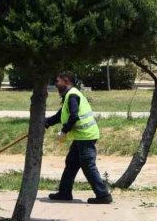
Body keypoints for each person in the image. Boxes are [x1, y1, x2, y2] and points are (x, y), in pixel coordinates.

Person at [45, 71, 112, 204]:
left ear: (66, 81)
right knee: (71, 163)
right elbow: (60, 115)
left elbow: (74, 116)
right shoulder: (69, 95)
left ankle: (103, 195)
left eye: (58, 81)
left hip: (86, 136)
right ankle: (64, 193)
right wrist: (46, 122)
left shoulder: (72, 96)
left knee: (88, 165)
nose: (56, 84)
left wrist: (64, 131)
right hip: (81, 137)